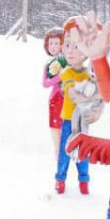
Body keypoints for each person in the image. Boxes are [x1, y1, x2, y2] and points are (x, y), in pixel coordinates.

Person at [57, 17, 93, 194]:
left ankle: (84, 180)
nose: (70, 51)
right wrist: (85, 96)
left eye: (76, 46)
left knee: (83, 152)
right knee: (64, 151)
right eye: (67, 45)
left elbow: (95, 91)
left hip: (83, 121)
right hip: (68, 119)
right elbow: (71, 91)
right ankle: (60, 179)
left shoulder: (89, 73)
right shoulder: (67, 72)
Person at [41, 28, 67, 158]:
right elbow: (45, 83)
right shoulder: (48, 64)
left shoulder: (69, 60)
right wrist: (58, 78)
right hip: (55, 99)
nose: (53, 46)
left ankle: (68, 150)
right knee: (55, 127)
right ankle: (58, 152)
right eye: (50, 43)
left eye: (57, 43)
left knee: (67, 126)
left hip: (68, 98)